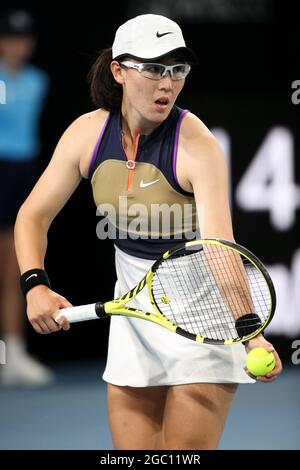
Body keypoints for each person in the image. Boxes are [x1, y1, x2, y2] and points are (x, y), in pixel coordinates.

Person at [14, 14, 282, 448]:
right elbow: (33, 216)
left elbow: (221, 248)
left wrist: (250, 330)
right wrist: (35, 284)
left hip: (204, 321)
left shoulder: (198, 146)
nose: (168, 83)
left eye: (177, 70)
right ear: (119, 70)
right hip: (134, 315)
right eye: (154, 68)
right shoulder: (86, 134)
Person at [0, 8, 54, 386]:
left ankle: (11, 356)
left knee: (11, 269)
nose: (17, 44)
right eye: (10, 37)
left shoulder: (38, 81)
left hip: (23, 175)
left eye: (23, 38)